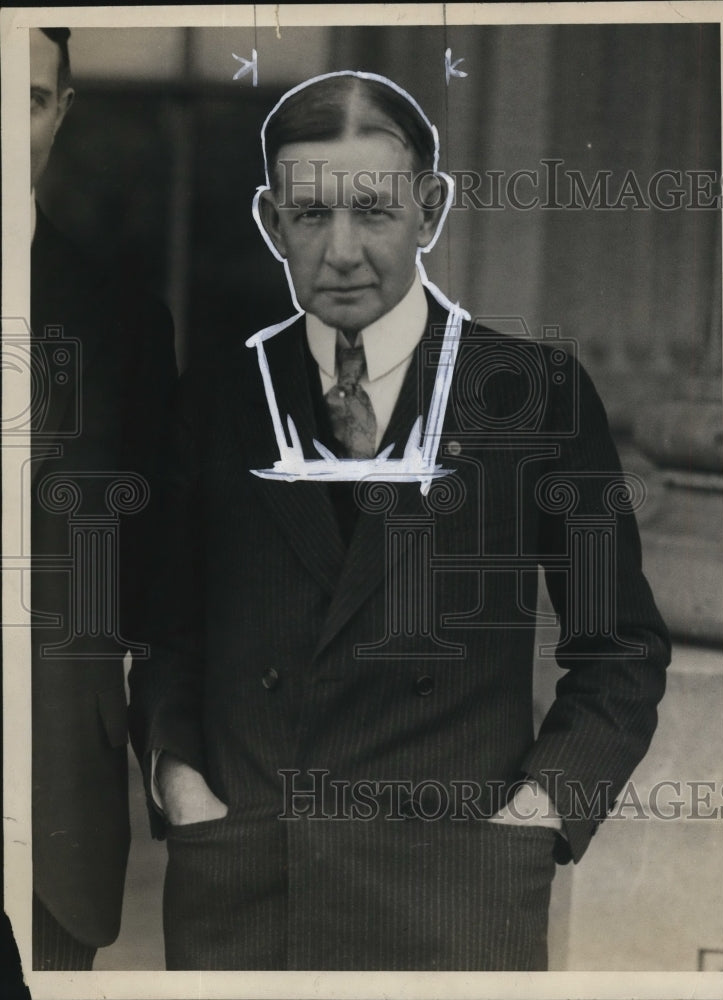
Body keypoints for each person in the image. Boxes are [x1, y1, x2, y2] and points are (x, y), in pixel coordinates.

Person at [128, 71, 670, 971]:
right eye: (309, 217)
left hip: (454, 903)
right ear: (270, 222)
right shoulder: (217, 400)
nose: (341, 252)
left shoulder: (536, 396)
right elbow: (164, 636)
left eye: (373, 213)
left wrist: (535, 817)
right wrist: (181, 785)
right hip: (251, 902)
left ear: (432, 208)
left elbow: (620, 650)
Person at [29, 27, 177, 970]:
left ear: (61, 113)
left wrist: (174, 752)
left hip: (55, 816)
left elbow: (161, 576)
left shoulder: (122, 315)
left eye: (30, 101)